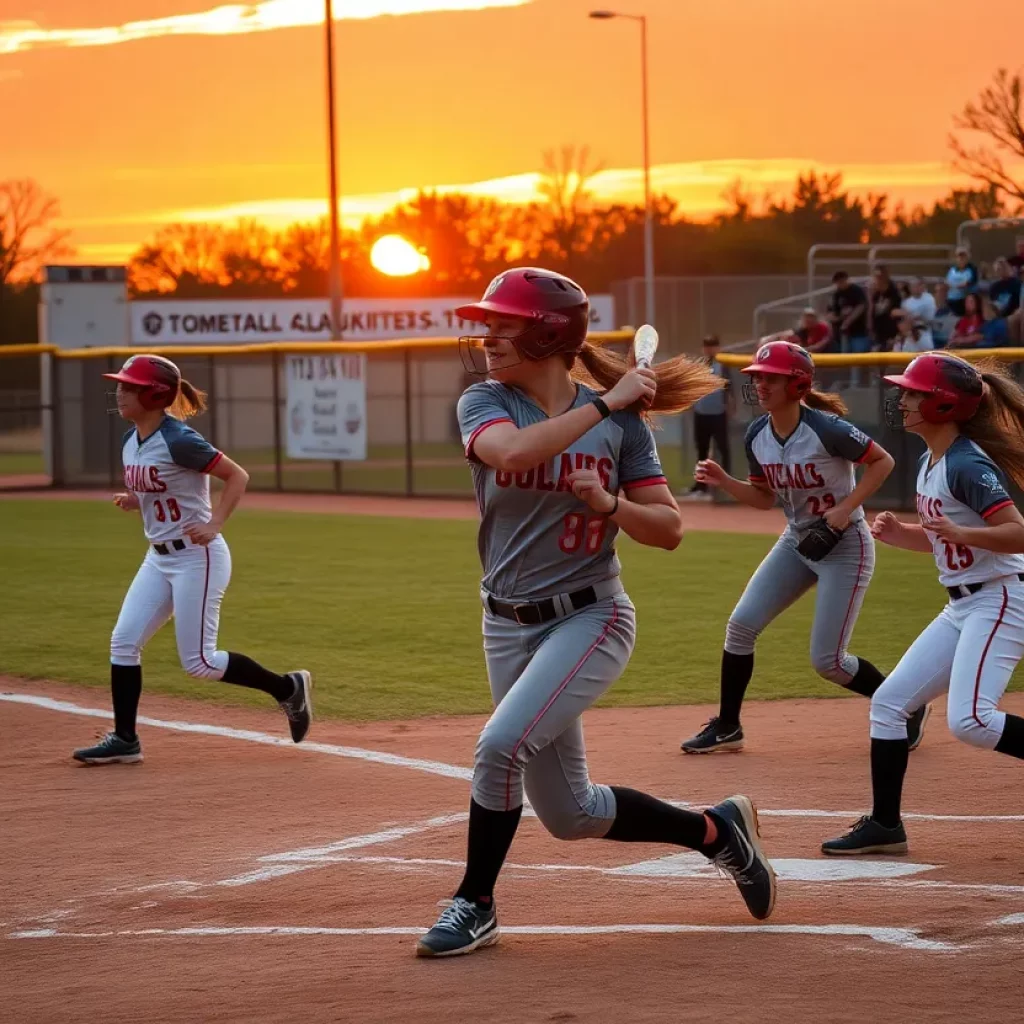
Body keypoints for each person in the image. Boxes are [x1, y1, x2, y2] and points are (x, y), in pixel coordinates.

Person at [416, 267, 777, 958]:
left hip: (591, 618)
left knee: (498, 748)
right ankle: (717, 832)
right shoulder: (486, 401)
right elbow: (512, 451)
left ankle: (475, 902)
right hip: (504, 621)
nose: (489, 335)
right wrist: (607, 406)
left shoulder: (622, 429)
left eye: (506, 323)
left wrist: (609, 503)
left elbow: (668, 530)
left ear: (550, 333)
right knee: (570, 814)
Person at [679, 341, 930, 754]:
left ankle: (907, 705)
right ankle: (727, 726)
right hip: (796, 541)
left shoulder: (826, 428)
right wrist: (725, 481)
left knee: (827, 662)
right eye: (757, 377)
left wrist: (848, 508)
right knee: (741, 626)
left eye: (769, 378)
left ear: (796, 384)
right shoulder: (757, 434)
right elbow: (763, 499)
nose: (759, 384)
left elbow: (883, 461)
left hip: (845, 546)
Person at [822, 354, 1024, 855]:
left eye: (913, 393)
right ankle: (886, 826)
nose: (903, 400)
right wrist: (902, 535)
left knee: (971, 720)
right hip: (963, 605)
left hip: (1001, 598)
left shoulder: (966, 463)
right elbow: (943, 543)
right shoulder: (931, 460)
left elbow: (1018, 532)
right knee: (889, 704)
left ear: (943, 404)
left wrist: (962, 531)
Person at [72, 355, 313, 765]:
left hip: (196, 559)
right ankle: (126, 739)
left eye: (130, 386)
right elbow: (161, 487)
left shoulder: (180, 439)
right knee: (124, 641)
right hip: (158, 558)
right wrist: (136, 499)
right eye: (122, 384)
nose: (121, 391)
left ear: (154, 394)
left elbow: (237, 476)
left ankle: (287, 688)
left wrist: (216, 522)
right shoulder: (132, 440)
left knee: (199, 663)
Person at [682, 334, 733, 501]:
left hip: (718, 414)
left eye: (712, 345)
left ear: (717, 348)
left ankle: (726, 485)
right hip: (701, 413)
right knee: (702, 451)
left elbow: (729, 389)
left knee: (723, 449)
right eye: (707, 345)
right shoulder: (699, 365)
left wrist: (730, 408)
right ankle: (701, 486)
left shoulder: (723, 365)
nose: (709, 349)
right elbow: (692, 387)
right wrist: (690, 407)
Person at [895, 278, 937, 349]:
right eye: (913, 286)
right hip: (909, 334)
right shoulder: (906, 302)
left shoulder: (929, 299)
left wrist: (913, 317)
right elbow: (903, 320)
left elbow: (930, 317)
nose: (915, 288)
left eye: (918, 285)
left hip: (924, 332)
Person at [868, 265, 903, 351]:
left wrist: (897, 335)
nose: (877, 280)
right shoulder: (875, 293)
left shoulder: (894, 292)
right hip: (878, 332)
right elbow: (872, 310)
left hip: (891, 332)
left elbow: (897, 313)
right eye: (876, 277)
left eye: (879, 277)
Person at [945, 247, 979, 316]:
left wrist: (957, 285)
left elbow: (970, 282)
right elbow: (947, 282)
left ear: (968, 257)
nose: (961, 258)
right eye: (959, 256)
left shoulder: (972, 269)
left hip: (964, 301)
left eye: (964, 256)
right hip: (951, 300)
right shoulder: (952, 269)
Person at [929, 283, 957, 350]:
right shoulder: (927, 312)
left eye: (942, 291)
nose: (940, 294)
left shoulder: (952, 317)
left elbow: (950, 342)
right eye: (937, 292)